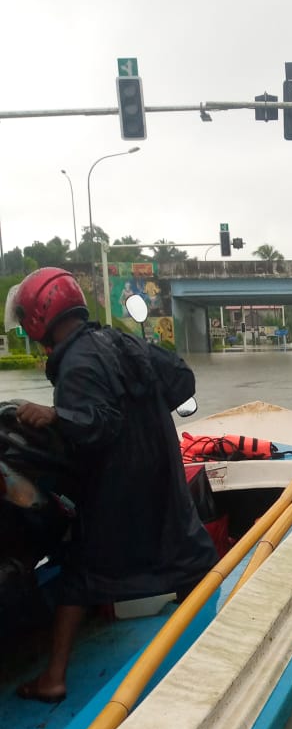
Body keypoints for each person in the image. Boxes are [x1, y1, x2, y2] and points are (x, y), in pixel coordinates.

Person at [4, 268, 218, 702]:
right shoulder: (123, 342)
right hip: (165, 489)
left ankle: (54, 678)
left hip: (118, 498)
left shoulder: (77, 364)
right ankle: (214, 655)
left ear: (39, 317)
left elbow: (97, 427)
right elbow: (182, 380)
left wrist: (56, 416)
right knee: (195, 564)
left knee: (78, 574)